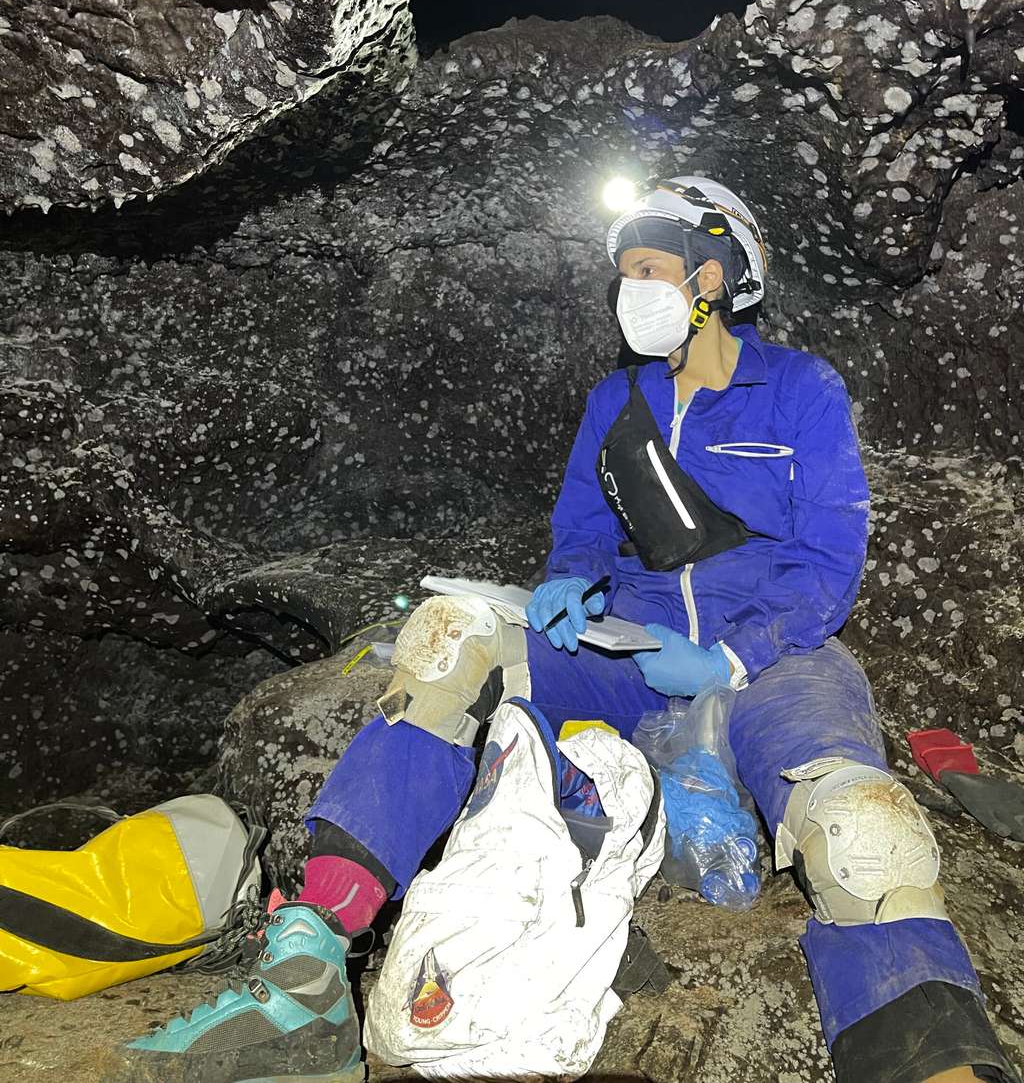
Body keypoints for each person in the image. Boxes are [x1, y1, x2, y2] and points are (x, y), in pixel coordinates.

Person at [114, 176, 1018, 1083]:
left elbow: (830, 560)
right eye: (624, 271)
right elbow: (583, 529)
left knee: (862, 825)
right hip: (627, 652)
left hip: (778, 664)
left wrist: (729, 656)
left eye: (651, 266)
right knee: (449, 635)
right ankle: (310, 961)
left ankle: (934, 1062)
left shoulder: (799, 389)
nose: (634, 288)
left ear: (712, 272)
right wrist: (570, 588)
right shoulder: (614, 401)